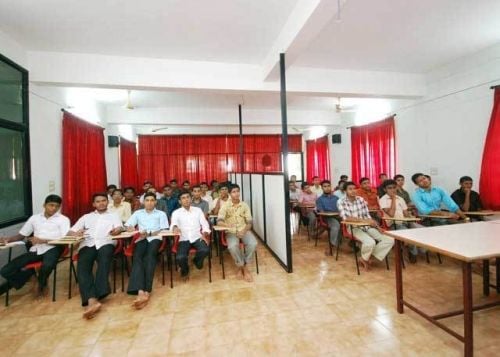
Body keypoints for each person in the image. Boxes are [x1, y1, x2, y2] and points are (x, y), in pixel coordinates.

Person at [0, 195, 70, 298]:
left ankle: (41, 283)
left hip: (55, 247)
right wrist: (8, 239)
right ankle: (32, 277)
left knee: (47, 265)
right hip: (36, 249)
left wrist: (43, 240)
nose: (54, 208)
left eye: (57, 206)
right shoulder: (34, 218)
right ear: (44, 205)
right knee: (6, 270)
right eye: (51, 205)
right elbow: (21, 235)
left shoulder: (63, 220)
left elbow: (64, 241)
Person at [67, 193, 123, 319]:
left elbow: (119, 228)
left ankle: (97, 295)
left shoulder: (113, 215)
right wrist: (76, 233)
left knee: (104, 262)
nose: (101, 203)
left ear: (107, 202)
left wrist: (117, 231)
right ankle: (92, 300)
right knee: (83, 267)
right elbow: (71, 231)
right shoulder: (86, 217)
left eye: (104, 201)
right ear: (94, 204)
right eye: (98, 201)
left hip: (106, 242)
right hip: (88, 243)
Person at [125, 192, 169, 309]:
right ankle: (140, 291)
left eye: (152, 200)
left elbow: (164, 230)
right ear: (143, 202)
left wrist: (149, 233)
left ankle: (147, 290)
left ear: (155, 202)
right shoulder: (138, 213)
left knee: (150, 257)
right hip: (141, 238)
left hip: (155, 238)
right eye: (147, 200)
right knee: (137, 257)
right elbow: (128, 225)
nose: (149, 202)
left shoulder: (161, 214)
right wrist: (129, 227)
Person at [338, 182, 394, 271]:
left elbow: (367, 216)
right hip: (353, 227)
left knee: (389, 239)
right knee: (370, 242)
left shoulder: (360, 199)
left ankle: (366, 258)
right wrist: (365, 221)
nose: (353, 191)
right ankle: (366, 258)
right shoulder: (341, 201)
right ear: (345, 191)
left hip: (367, 226)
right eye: (350, 189)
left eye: (354, 188)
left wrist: (378, 227)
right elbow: (347, 218)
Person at [217, 184, 257, 282]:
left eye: (238, 191)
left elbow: (249, 222)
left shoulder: (244, 205)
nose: (236, 194)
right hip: (231, 232)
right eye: (234, 192)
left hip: (244, 230)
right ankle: (242, 267)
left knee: (253, 243)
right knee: (232, 246)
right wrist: (226, 225)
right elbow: (219, 220)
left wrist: (243, 231)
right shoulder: (225, 206)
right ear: (230, 194)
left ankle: (245, 266)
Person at [379, 180, 424, 263]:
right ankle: (413, 252)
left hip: (405, 222)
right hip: (394, 224)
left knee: (422, 230)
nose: (392, 190)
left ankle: (421, 249)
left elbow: (406, 214)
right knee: (409, 234)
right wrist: (393, 199)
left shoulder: (400, 199)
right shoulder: (383, 200)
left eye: (394, 187)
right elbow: (391, 214)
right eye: (389, 188)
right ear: (385, 190)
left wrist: (412, 218)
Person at [171, 190, 211, 280]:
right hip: (184, 238)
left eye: (188, 197)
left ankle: (196, 261)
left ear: (191, 198)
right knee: (180, 257)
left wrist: (204, 233)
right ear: (179, 201)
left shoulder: (198, 210)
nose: (186, 200)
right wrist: (175, 228)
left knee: (205, 250)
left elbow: (205, 224)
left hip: (197, 237)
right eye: (183, 198)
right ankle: (185, 270)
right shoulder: (176, 213)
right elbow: (173, 224)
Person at [315, 180, 341, 252]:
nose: (327, 188)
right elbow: (321, 212)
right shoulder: (319, 199)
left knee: (349, 224)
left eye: (328, 186)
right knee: (336, 226)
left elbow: (341, 208)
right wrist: (332, 213)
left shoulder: (336, 198)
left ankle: (351, 243)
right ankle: (331, 245)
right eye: (325, 186)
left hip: (338, 216)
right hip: (327, 218)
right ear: (322, 188)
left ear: (331, 186)